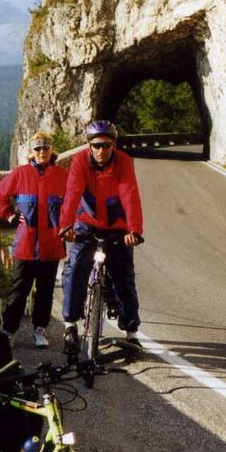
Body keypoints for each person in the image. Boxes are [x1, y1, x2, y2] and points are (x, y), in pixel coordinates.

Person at [58, 119, 144, 353]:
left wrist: (134, 230)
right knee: (75, 271)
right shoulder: (80, 162)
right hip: (87, 225)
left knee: (124, 278)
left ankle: (131, 334)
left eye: (106, 145)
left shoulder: (123, 162)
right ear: (89, 145)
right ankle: (70, 325)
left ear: (114, 145)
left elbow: (129, 194)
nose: (101, 150)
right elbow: (73, 192)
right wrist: (66, 227)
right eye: (96, 145)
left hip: (118, 227)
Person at [0, 131, 68, 348]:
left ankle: (40, 330)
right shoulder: (20, 173)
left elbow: (74, 201)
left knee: (45, 291)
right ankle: (8, 330)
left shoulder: (62, 175)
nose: (42, 152)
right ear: (31, 153)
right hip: (26, 244)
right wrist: (9, 214)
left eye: (46, 148)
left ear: (52, 150)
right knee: (18, 290)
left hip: (51, 244)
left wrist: (70, 225)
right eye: (38, 148)